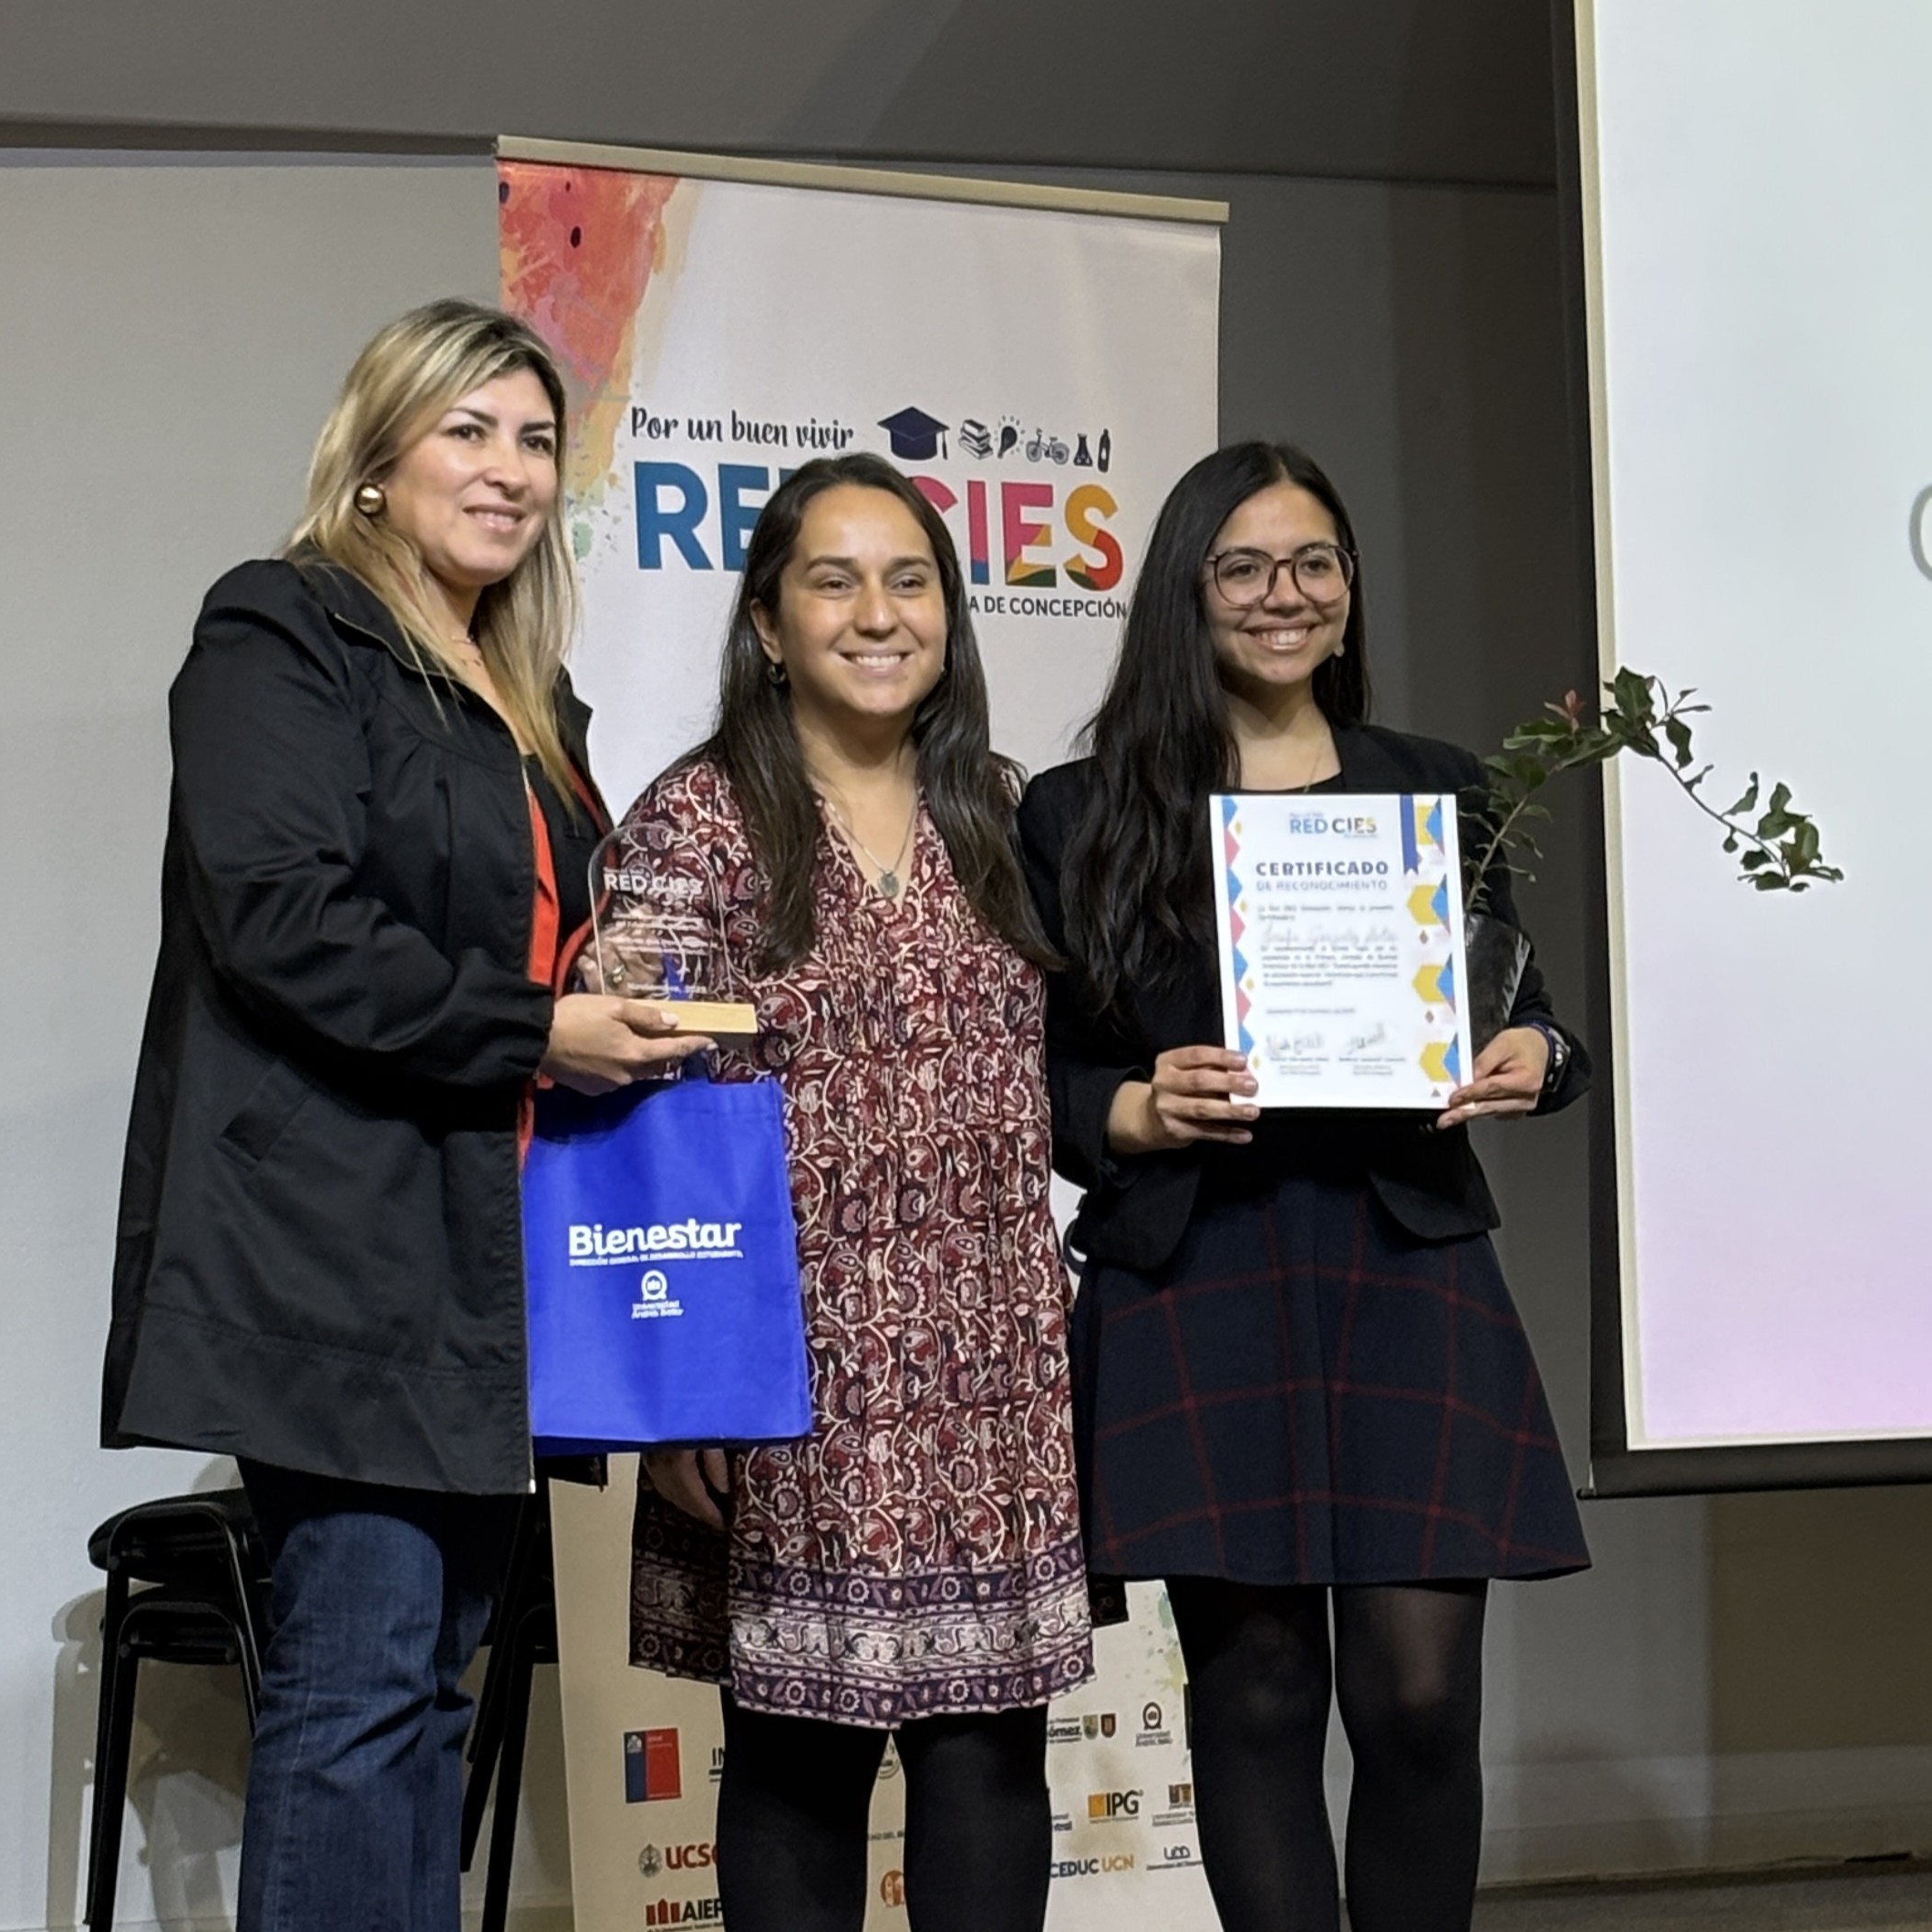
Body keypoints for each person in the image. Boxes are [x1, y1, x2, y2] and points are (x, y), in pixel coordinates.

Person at [101, 298, 710, 1932]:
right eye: (469, 431)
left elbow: (507, 927)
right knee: (360, 1689)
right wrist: (536, 1027)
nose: (508, 471)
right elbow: (279, 916)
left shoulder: (529, 699)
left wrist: (613, 969)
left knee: (432, 1696)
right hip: (328, 1251)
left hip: (481, 1255)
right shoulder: (281, 627)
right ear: (376, 460)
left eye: (534, 442)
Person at [1018, 441, 1591, 1932]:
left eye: (1315, 563)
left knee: (1415, 1706)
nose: (1286, 596)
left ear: (1349, 591)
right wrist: (1137, 1107)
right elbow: (1042, 1083)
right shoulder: (1082, 811)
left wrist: (1543, 1052)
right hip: (1203, 1268)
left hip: (1406, 1262)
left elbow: (1522, 1012)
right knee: (1259, 1695)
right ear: (1188, 594)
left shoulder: (1442, 792)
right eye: (1246, 568)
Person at [622, 453, 1092, 1932]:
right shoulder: (697, 823)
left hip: (994, 1362)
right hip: (784, 1367)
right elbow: (632, 1125)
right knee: (795, 1760)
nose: (878, 613)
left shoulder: (1008, 818)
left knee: (991, 1752)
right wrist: (687, 1385)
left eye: (911, 581)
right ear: (768, 622)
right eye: (834, 580)